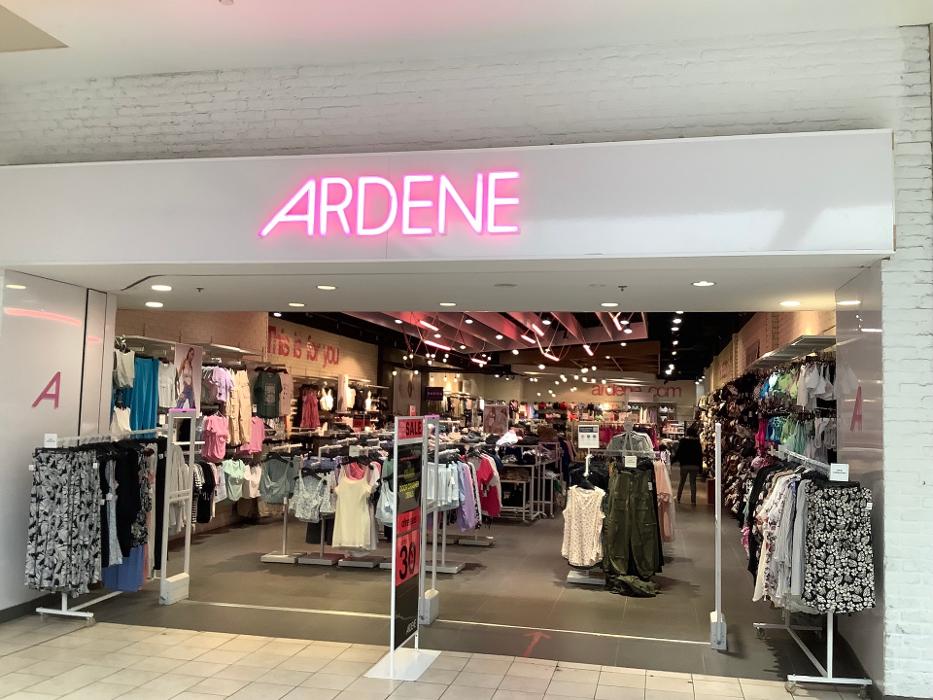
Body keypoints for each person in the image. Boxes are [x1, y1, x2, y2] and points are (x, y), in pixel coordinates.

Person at [673, 423, 702, 505]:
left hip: (684, 465)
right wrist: (700, 468)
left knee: (682, 482)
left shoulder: (683, 441)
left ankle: (678, 498)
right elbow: (700, 455)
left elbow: (679, 453)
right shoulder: (697, 443)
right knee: (693, 483)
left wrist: (673, 461)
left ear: (687, 433)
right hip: (695, 466)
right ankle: (693, 501)